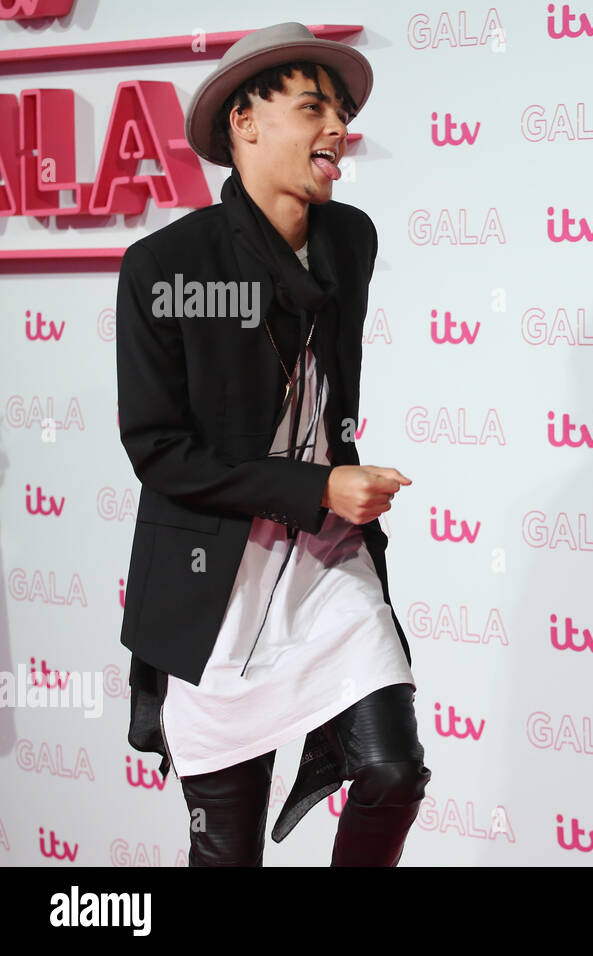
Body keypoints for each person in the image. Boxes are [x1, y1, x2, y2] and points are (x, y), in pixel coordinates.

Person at [115, 22, 429, 866]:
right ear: (245, 122)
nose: (338, 127)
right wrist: (316, 487)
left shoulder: (350, 240)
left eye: (342, 112)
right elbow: (159, 451)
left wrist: (328, 492)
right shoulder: (164, 265)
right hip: (212, 579)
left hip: (327, 561)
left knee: (394, 771)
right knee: (228, 854)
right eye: (313, 107)